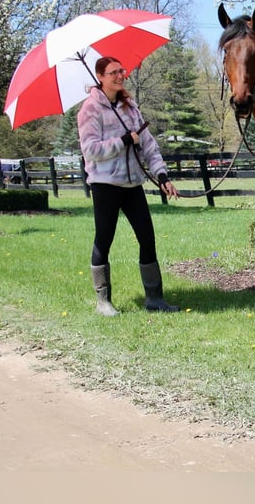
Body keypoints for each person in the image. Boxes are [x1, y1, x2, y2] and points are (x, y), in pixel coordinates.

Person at [77, 56, 179, 316]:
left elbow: (149, 145)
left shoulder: (129, 108)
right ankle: (103, 301)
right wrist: (122, 140)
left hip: (133, 183)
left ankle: (154, 298)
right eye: (113, 72)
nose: (120, 76)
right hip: (105, 184)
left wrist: (163, 175)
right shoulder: (90, 110)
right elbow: (90, 150)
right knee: (104, 238)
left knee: (147, 237)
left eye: (121, 71)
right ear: (100, 76)